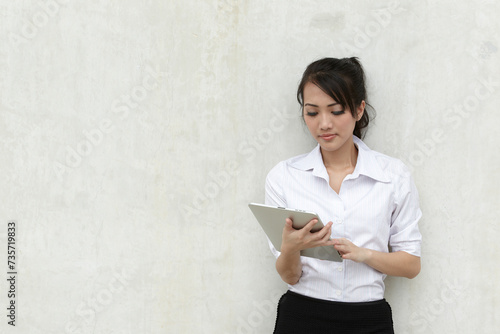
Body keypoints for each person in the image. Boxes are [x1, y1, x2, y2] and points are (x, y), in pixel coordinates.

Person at [265, 57, 422, 333]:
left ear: (359, 109)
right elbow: (290, 275)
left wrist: (364, 255)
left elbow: (411, 264)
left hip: (369, 319)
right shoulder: (285, 176)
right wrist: (291, 247)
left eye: (336, 111)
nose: (324, 124)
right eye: (312, 113)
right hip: (302, 316)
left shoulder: (393, 176)